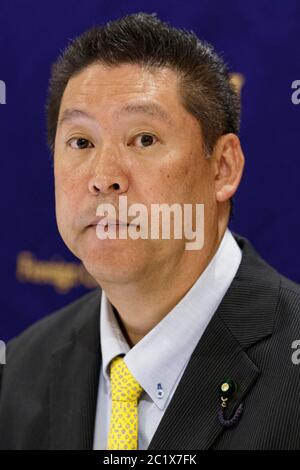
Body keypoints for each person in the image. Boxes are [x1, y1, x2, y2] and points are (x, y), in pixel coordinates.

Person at [1, 12, 300, 450]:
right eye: (81, 142)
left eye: (143, 139)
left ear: (222, 167)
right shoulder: (23, 367)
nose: (103, 177)